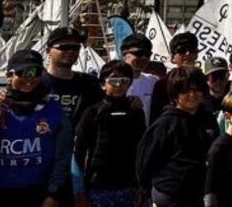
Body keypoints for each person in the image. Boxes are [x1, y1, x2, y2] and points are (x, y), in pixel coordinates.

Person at [0, 49, 72, 206]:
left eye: (36, 72)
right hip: (1, 191)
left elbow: (63, 155)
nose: (30, 78)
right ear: (9, 75)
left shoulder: (54, 109)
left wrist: (53, 193)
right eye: (23, 72)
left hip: (40, 190)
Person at [135, 66, 218, 207]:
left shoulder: (208, 119)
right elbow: (144, 164)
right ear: (174, 94)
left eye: (197, 90)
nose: (192, 95)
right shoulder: (164, 124)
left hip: (201, 193)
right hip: (171, 195)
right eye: (185, 90)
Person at [75, 60, 146, 207]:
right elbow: (79, 151)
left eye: (124, 80)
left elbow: (142, 148)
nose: (119, 85)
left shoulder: (136, 110)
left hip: (129, 184)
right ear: (103, 84)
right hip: (98, 184)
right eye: (113, 80)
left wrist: (142, 184)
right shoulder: (93, 111)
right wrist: (79, 189)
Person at [42, 27, 103, 126]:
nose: (70, 51)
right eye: (64, 47)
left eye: (75, 48)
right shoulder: (36, 83)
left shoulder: (91, 84)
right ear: (48, 51)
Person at [150, 32, 202, 122]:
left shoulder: (204, 81)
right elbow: (155, 117)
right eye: (182, 50)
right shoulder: (162, 84)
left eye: (191, 49)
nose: (187, 54)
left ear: (197, 54)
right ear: (173, 57)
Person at [120, 34, 159, 123]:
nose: (144, 58)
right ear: (124, 54)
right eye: (139, 53)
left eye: (147, 54)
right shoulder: (112, 83)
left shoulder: (153, 81)